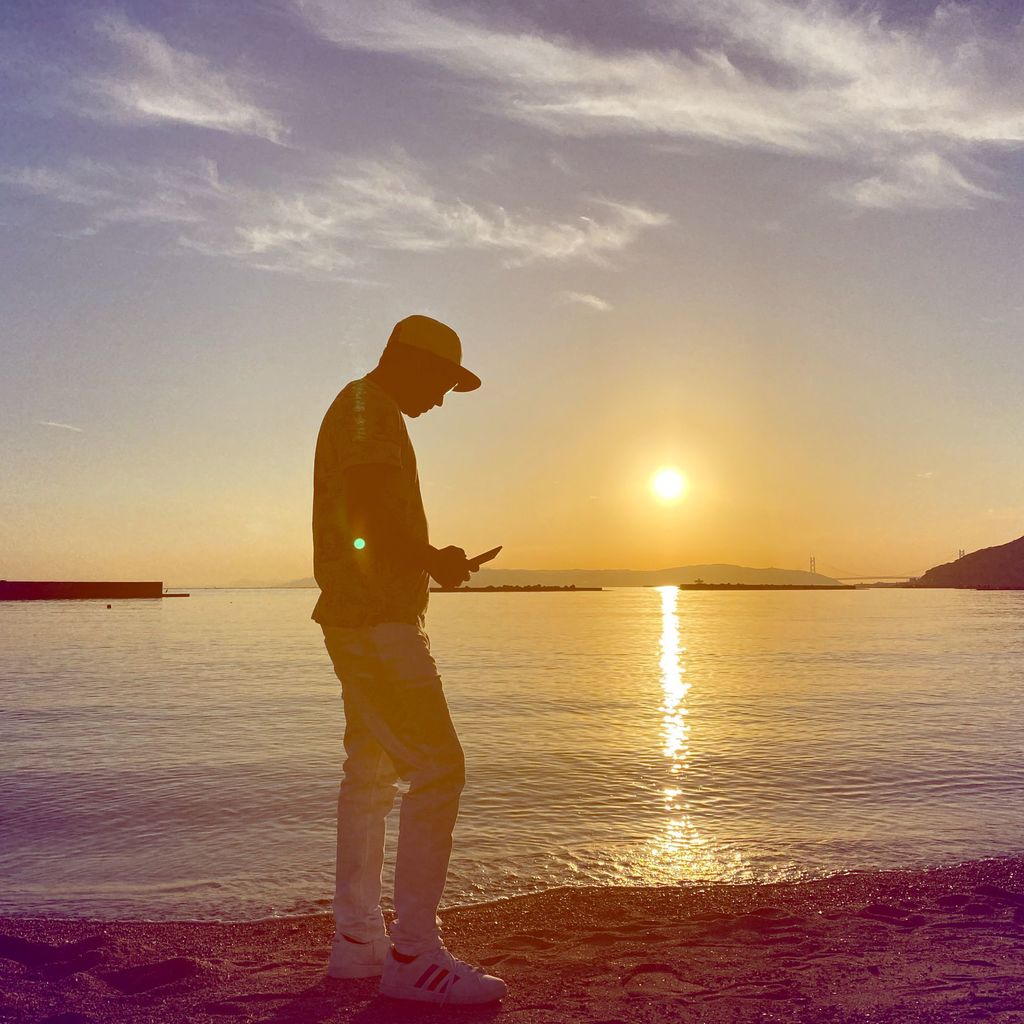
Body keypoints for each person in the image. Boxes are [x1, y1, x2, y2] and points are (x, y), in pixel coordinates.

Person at [311, 315, 507, 1005]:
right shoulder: (368, 409)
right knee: (439, 769)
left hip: (359, 618)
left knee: (368, 774)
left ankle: (358, 944)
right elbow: (365, 503)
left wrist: (425, 566)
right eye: (444, 383)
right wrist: (435, 560)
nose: (444, 400)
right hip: (376, 625)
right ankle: (414, 955)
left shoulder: (363, 407)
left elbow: (363, 514)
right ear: (410, 361)